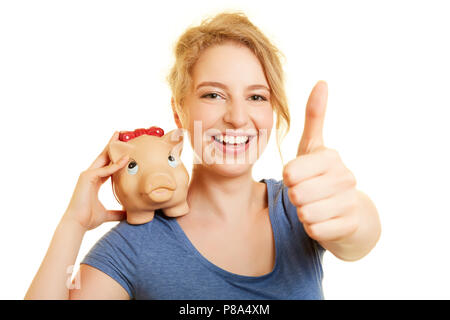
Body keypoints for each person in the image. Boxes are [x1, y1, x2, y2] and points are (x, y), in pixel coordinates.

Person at [25, 12, 381, 300]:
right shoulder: (133, 245)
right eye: (213, 95)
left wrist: (350, 214)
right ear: (179, 113)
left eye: (257, 97)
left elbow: (359, 234)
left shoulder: (300, 208)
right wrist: (72, 224)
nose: (238, 118)